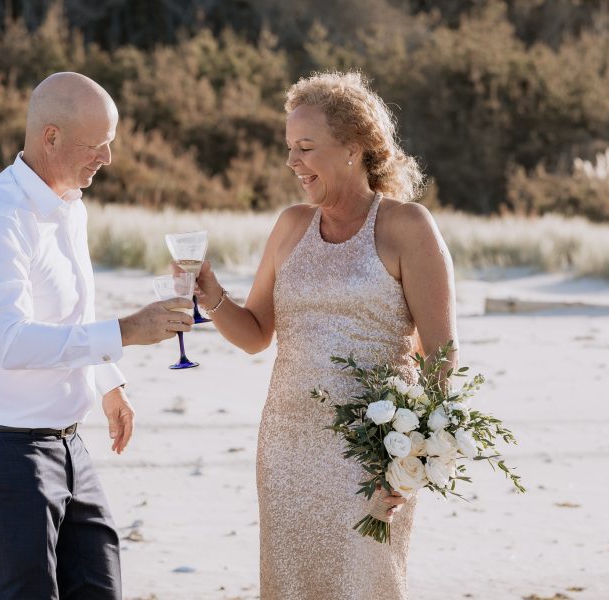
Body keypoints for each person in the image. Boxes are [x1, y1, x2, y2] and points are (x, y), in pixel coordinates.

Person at [195, 71, 458, 599]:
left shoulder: (407, 226)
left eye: (306, 147)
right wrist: (210, 292)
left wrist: (410, 464)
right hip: (287, 448)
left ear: (354, 149)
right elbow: (254, 335)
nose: (293, 162)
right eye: (290, 148)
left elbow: (441, 359)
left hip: (371, 454)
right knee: (291, 584)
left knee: (365, 584)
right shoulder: (291, 225)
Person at [0, 72, 193, 600]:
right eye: (95, 145)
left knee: (101, 588)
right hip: (1, 450)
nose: (107, 158)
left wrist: (109, 382)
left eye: (111, 143)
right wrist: (127, 331)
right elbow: (11, 343)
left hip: (68, 443)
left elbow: (74, 313)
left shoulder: (70, 206)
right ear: (49, 137)